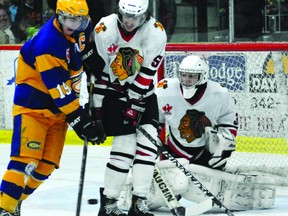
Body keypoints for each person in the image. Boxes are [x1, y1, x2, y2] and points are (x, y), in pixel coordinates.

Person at [118, 54, 276, 212]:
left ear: (203, 76)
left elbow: (229, 123)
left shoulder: (219, 93)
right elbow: (155, 120)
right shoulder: (165, 90)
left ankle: (218, 182)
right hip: (173, 151)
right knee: (172, 192)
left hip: (206, 153)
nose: (187, 80)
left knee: (221, 152)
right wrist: (151, 140)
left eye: (192, 76)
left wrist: (221, 146)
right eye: (184, 75)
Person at [0, 0, 105, 215]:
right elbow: (60, 90)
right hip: (33, 109)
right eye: (68, 18)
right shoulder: (48, 44)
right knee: (25, 162)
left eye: (78, 19)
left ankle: (13, 201)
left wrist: (88, 55)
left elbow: (80, 47)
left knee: (45, 166)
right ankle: (4, 208)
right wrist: (80, 119)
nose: (73, 24)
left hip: (59, 113)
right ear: (58, 15)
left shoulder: (81, 27)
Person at [89, 0, 167, 215]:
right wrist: (96, 110)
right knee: (124, 147)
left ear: (146, 16)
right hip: (114, 97)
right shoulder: (104, 29)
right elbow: (100, 72)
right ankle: (109, 203)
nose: (130, 21)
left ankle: (139, 202)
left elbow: (148, 72)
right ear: (119, 12)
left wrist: (134, 102)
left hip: (145, 96)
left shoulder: (155, 32)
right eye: (126, 15)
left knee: (148, 149)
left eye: (137, 17)